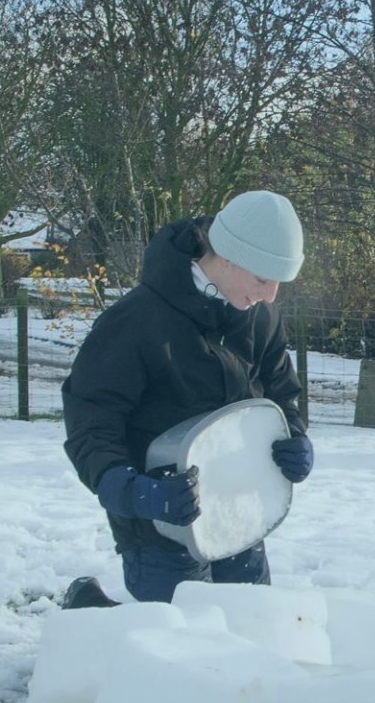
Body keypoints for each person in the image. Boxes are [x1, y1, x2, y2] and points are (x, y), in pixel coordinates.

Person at [60, 190, 314, 607]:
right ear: (228, 257)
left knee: (249, 628)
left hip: (239, 508)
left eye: (278, 284)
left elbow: (282, 390)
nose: (270, 296)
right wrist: (126, 488)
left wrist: (295, 437)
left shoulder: (260, 316)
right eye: (263, 280)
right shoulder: (136, 321)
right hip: (159, 515)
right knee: (179, 641)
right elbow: (92, 416)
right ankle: (87, 613)